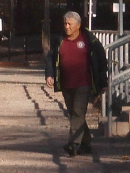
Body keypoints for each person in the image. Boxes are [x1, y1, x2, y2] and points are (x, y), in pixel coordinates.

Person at [44, 11, 109, 156]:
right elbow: (50, 58)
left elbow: (101, 60)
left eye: (69, 24)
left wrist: (103, 80)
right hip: (66, 84)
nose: (66, 26)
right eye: (65, 23)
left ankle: (73, 144)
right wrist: (49, 74)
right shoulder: (60, 39)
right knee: (75, 114)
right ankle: (85, 143)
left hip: (84, 83)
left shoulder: (89, 40)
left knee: (77, 113)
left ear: (78, 25)